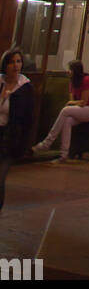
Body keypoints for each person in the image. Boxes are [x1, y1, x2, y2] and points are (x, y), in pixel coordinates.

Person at [33, 60, 89, 161]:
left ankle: (47, 143)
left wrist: (72, 104)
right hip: (80, 110)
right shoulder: (72, 82)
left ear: (76, 71)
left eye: (70, 70)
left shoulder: (87, 79)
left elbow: (83, 102)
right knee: (67, 121)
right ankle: (64, 154)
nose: (68, 72)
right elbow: (72, 101)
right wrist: (72, 104)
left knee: (65, 110)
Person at [0, 47, 34, 212]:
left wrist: (25, 144)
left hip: (9, 139)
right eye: (12, 62)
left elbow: (28, 118)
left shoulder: (25, 88)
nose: (15, 66)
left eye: (18, 61)